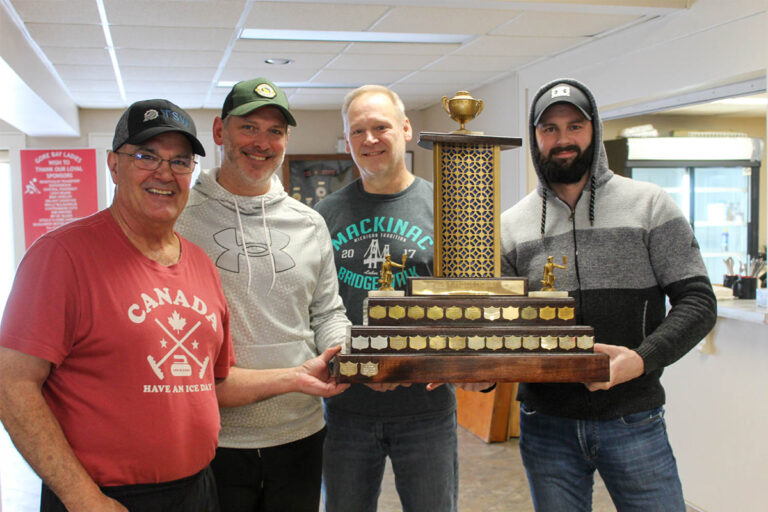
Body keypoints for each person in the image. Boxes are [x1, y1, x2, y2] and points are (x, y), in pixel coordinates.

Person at [0, 98, 345, 512]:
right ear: (114, 165)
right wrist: (82, 498)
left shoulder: (198, 263)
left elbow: (213, 384)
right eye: (146, 156)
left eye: (180, 162)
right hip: (105, 496)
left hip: (198, 489)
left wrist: (297, 377)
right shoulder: (62, 255)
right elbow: (12, 384)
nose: (164, 173)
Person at [500, 79, 717, 511]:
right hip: (547, 426)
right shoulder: (511, 226)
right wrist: (482, 371)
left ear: (594, 130)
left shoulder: (650, 206)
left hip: (633, 417)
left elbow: (698, 303)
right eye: (550, 129)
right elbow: (505, 323)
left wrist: (641, 359)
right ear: (535, 137)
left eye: (574, 126)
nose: (563, 140)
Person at [175, 77, 351, 512]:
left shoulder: (309, 223)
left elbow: (327, 310)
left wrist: (343, 350)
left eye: (275, 131)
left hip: (300, 433)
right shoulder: (179, 220)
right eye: (248, 127)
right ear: (219, 132)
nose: (262, 142)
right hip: (213, 438)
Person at [316, 85, 492, 512]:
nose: (370, 140)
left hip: (426, 410)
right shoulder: (323, 215)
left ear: (407, 129)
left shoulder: (448, 209)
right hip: (345, 408)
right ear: (347, 139)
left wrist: (474, 363)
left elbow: (475, 306)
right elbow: (316, 309)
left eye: (381, 127)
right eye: (358, 131)